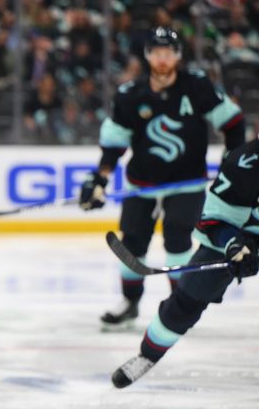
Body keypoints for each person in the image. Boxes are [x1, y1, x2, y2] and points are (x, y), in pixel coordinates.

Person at [79, 27, 245, 329]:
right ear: (148, 56)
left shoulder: (197, 86)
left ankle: (176, 306)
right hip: (141, 184)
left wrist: (230, 162)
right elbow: (114, 143)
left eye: (168, 53)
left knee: (178, 236)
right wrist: (99, 179)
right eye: (157, 53)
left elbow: (233, 122)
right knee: (132, 244)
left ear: (177, 56)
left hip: (187, 183)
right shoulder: (130, 95)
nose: (162, 59)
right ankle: (130, 303)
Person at [111, 137, 259, 387]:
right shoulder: (245, 163)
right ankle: (147, 355)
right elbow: (217, 220)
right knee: (186, 301)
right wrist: (234, 244)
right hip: (247, 236)